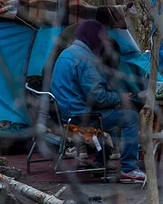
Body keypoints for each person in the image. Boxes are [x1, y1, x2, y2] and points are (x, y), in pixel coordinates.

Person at [48, 20, 146, 184]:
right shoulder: (86, 60)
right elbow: (97, 97)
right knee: (131, 117)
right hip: (82, 116)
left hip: (66, 112)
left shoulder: (66, 53)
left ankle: (103, 160)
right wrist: (119, 98)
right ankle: (129, 169)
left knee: (117, 113)